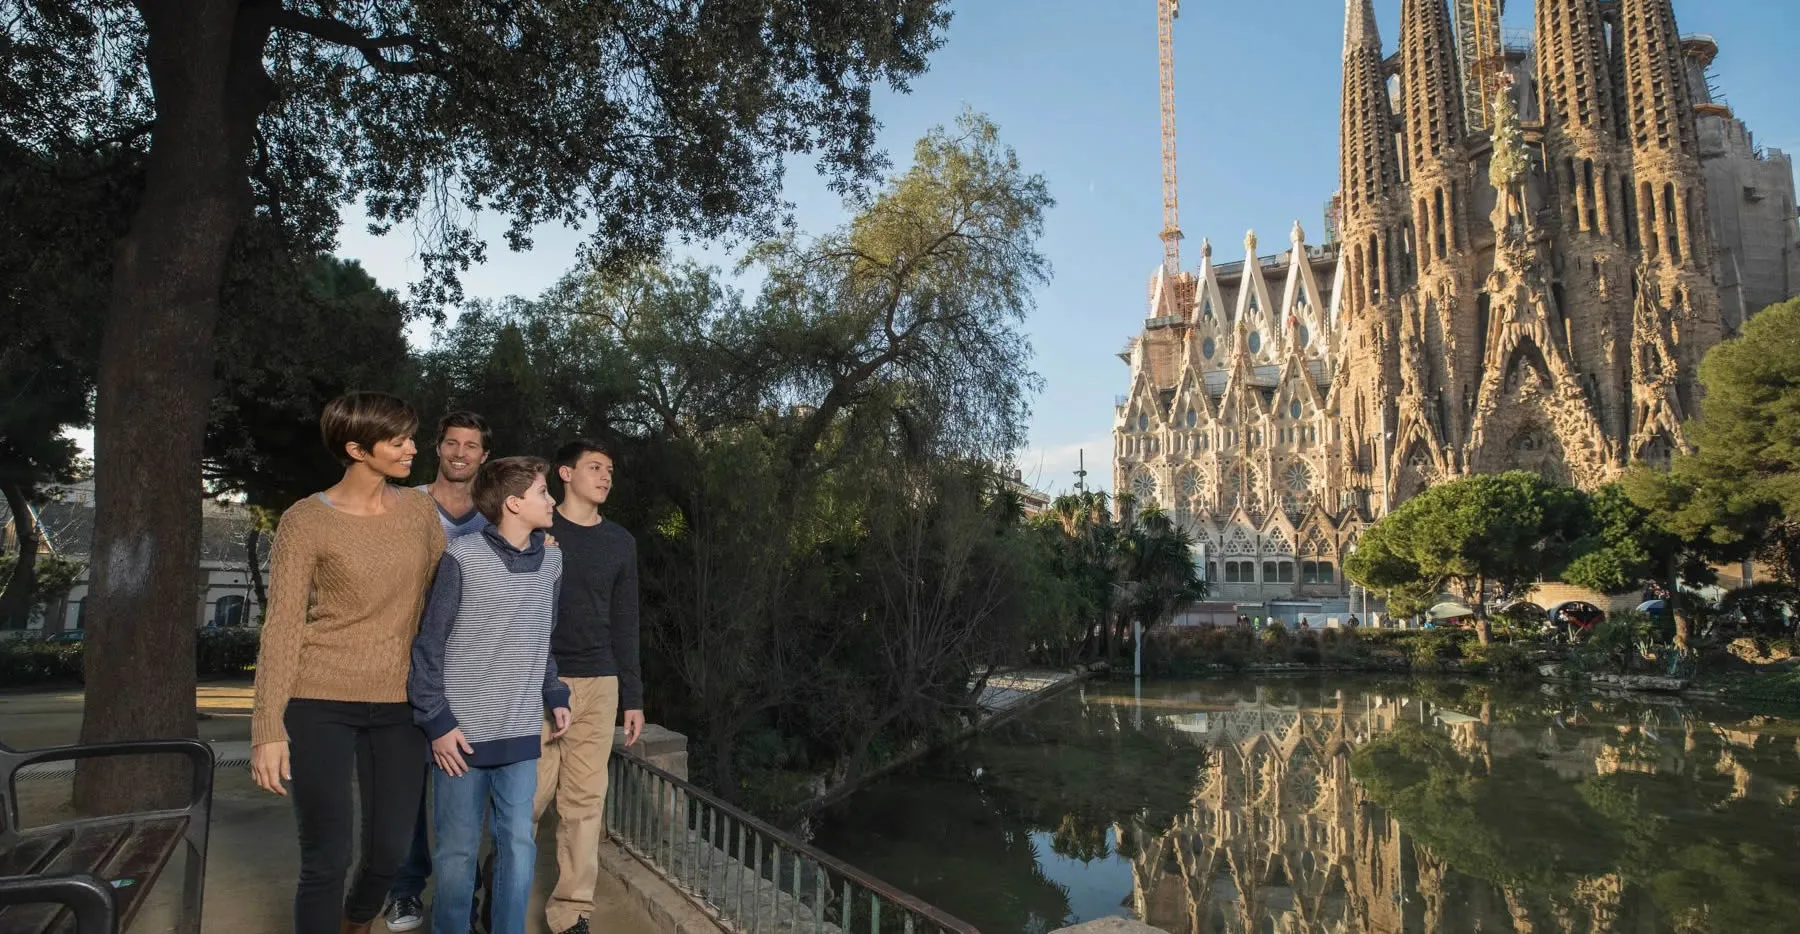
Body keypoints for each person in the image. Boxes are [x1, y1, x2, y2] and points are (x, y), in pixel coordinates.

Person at [250, 392, 447, 934]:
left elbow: (445, 595)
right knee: (325, 859)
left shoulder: (418, 510)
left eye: (411, 436)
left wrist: (524, 549)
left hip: (401, 700)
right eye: (399, 440)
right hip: (319, 699)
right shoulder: (305, 520)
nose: (412, 448)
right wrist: (268, 727)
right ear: (357, 448)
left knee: (388, 853)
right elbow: (284, 626)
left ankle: (356, 920)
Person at [409, 457, 572, 934]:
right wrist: (437, 723)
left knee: (519, 844)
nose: (552, 501)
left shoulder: (555, 562)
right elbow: (429, 644)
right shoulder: (463, 558)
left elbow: (542, 638)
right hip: (459, 738)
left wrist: (554, 691)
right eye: (544, 492)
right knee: (457, 853)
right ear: (514, 503)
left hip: (520, 731)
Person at [383, 411, 493, 933]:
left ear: (483, 456)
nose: (460, 453)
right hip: (402, 665)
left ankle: (461, 899)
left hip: (467, 673)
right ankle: (405, 891)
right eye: (452, 442)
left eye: (471, 446)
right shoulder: (405, 505)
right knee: (404, 789)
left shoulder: (493, 520)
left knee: (461, 801)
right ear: (438, 449)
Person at [534, 439, 643, 934]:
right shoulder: (537, 524)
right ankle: (498, 885)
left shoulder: (620, 540)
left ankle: (572, 911)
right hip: (538, 677)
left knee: (583, 804)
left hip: (600, 682)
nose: (606, 477)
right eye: (595, 467)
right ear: (565, 473)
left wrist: (633, 697)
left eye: (610, 469)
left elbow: (627, 620)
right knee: (527, 800)